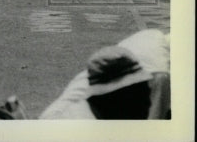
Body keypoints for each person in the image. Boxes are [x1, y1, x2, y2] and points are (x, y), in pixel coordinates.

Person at [37, 29, 170, 119]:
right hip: (110, 94)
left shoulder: (151, 35)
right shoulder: (161, 72)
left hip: (99, 80)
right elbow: (153, 120)